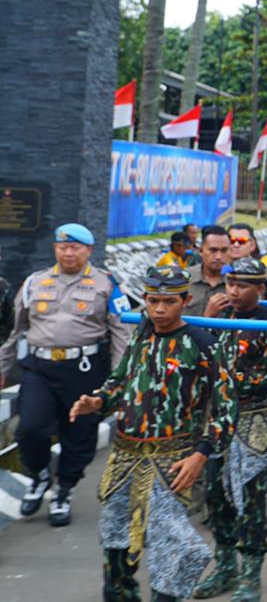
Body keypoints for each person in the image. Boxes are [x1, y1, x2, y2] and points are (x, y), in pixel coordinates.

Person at [70, 266, 236, 602]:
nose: (159, 309)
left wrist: (201, 454)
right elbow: (121, 382)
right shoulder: (143, 334)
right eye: (152, 300)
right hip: (124, 461)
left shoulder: (203, 344)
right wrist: (98, 401)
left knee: (171, 550)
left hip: (171, 464)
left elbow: (227, 412)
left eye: (168, 301)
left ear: (185, 301)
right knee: (115, 547)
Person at [0, 223, 131, 526]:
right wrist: (3, 367)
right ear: (55, 249)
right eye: (62, 246)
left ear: (88, 250)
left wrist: (118, 379)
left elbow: (121, 334)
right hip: (40, 368)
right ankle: (40, 475)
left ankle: (65, 490)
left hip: (84, 370)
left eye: (75, 247)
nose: (68, 252)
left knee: (80, 435)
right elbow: (13, 330)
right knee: (30, 428)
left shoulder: (107, 284)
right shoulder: (34, 282)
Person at [194, 258, 267, 602]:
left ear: (259, 288)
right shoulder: (219, 318)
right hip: (217, 421)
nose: (233, 291)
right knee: (215, 496)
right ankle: (225, 567)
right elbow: (199, 356)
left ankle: (250, 576)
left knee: (250, 497)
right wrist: (209, 317)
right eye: (230, 284)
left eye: (242, 285)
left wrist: (225, 385)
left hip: (253, 421)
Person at [187, 225, 232, 318]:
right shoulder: (183, 278)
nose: (218, 256)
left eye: (224, 250)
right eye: (213, 250)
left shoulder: (239, 282)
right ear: (201, 251)